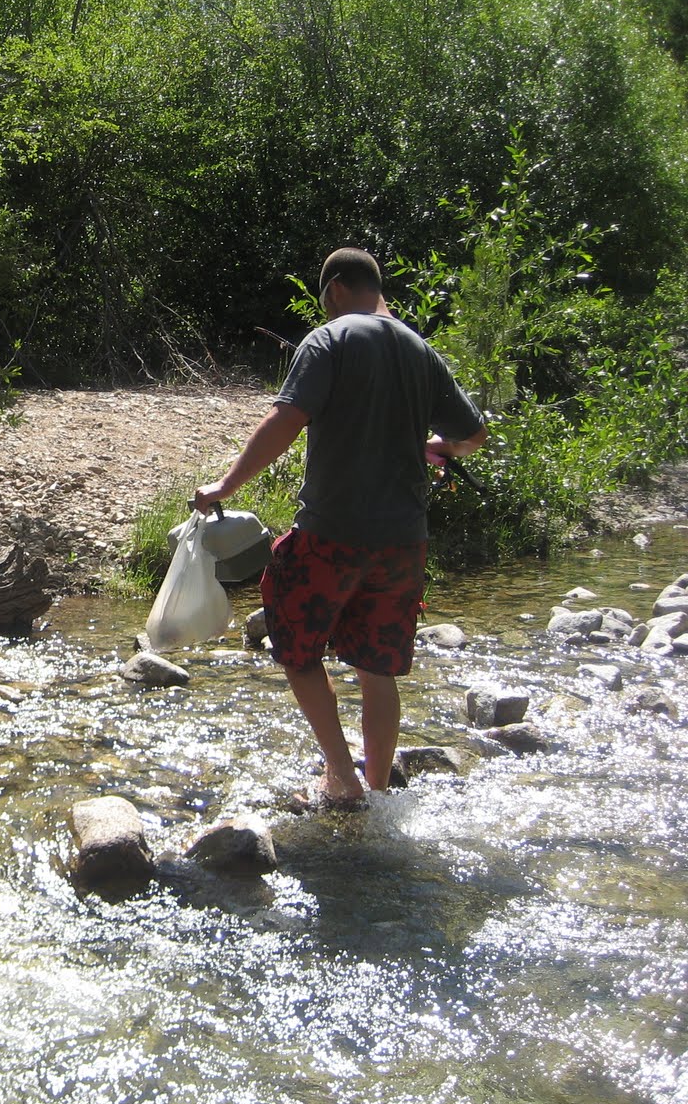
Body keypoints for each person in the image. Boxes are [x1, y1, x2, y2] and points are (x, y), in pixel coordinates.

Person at [193, 247, 488, 808]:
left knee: (296, 644)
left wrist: (224, 487)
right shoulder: (420, 350)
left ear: (332, 291)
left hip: (332, 536)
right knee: (378, 668)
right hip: (404, 544)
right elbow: (473, 436)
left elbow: (285, 421)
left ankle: (340, 775)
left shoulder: (328, 340)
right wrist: (436, 447)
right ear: (377, 289)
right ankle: (376, 790)